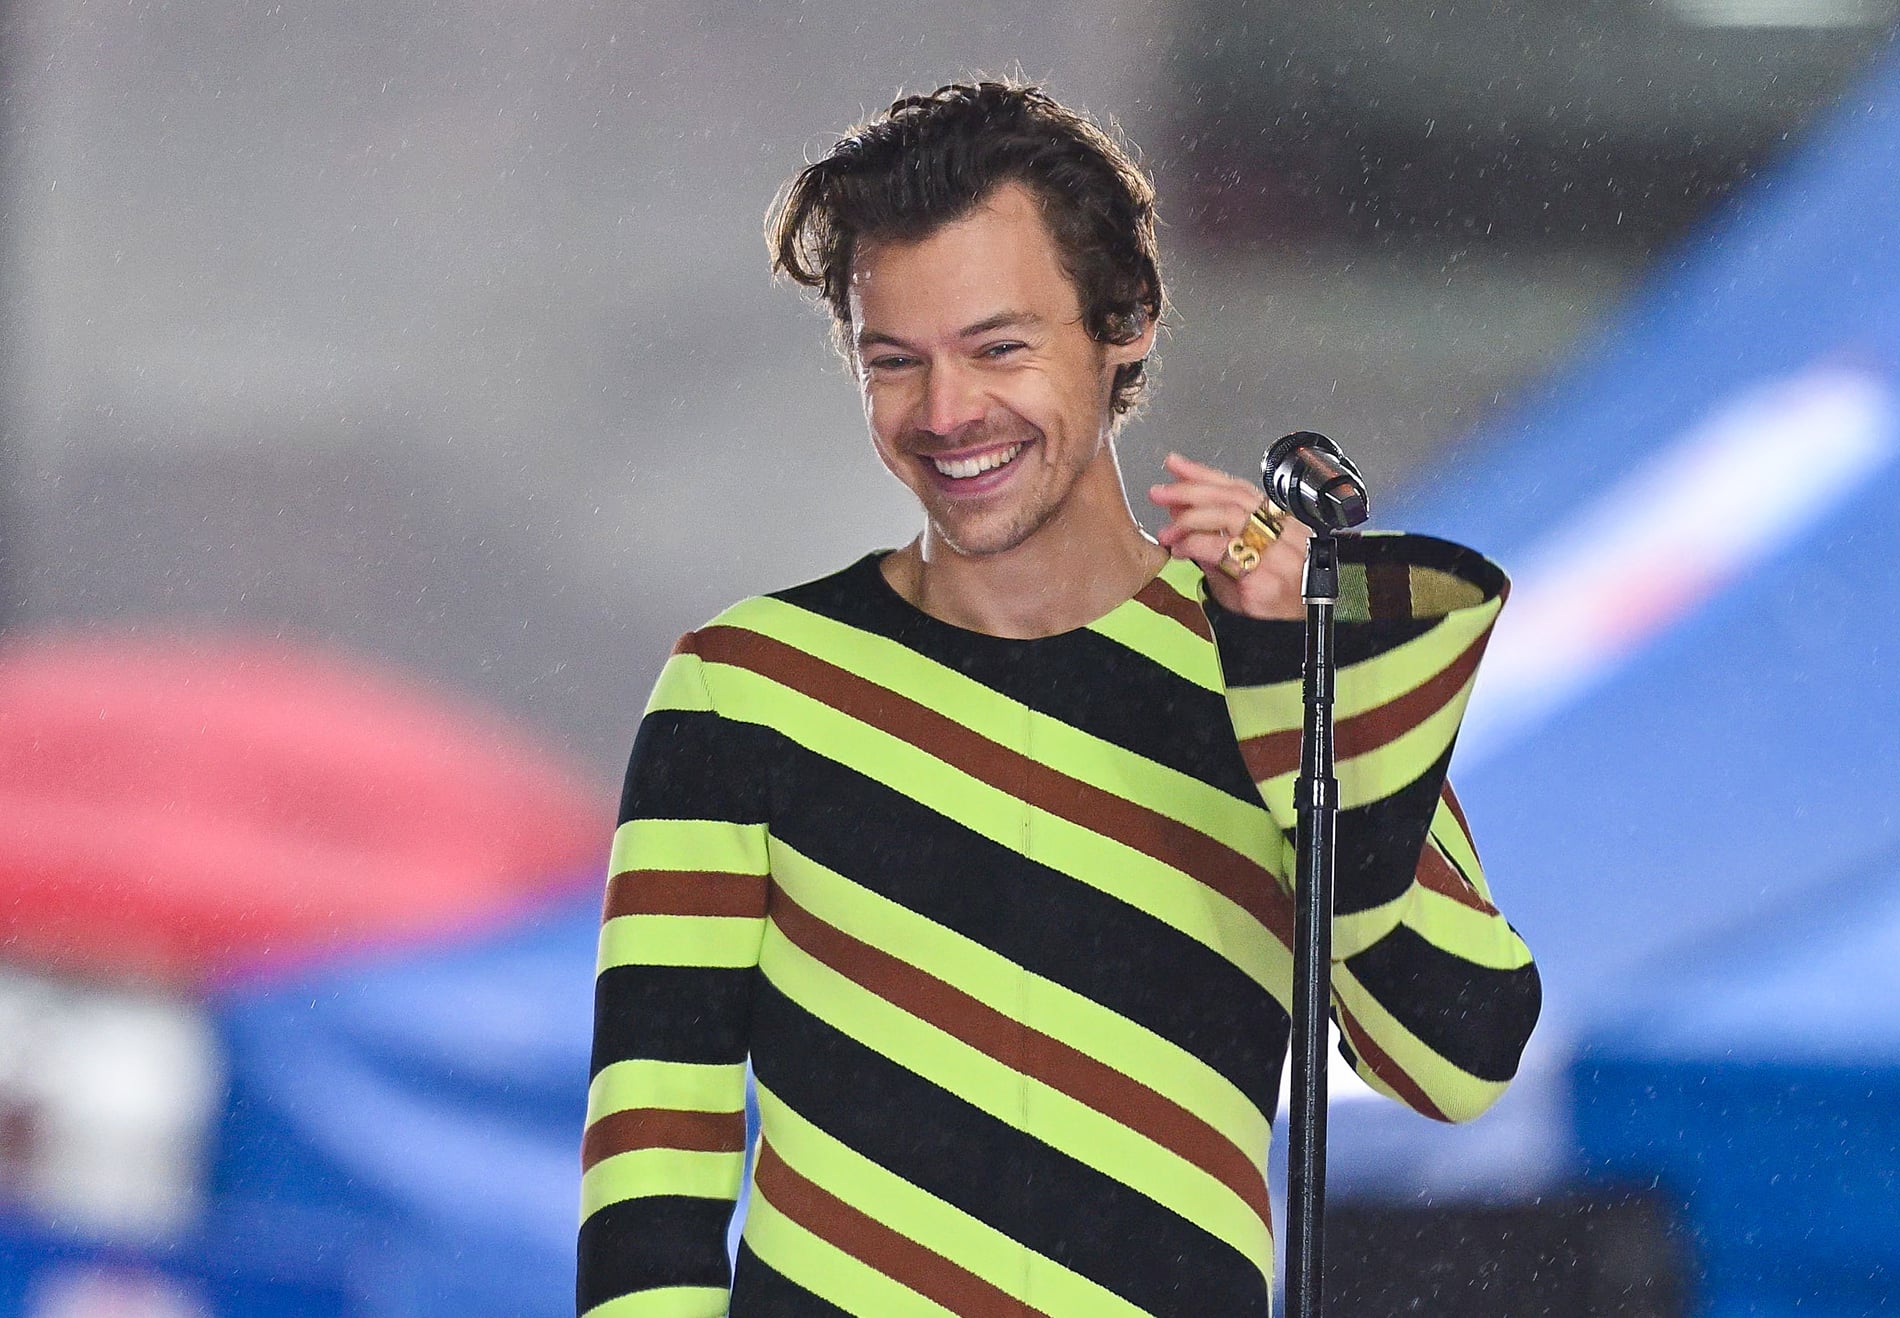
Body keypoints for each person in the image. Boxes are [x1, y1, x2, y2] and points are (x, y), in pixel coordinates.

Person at [576, 79, 1539, 1318]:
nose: (945, 412)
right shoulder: (743, 688)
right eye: (894, 361)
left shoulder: (1272, 669)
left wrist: (1298, 681)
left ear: (1125, 320)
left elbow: (1457, 1057)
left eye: (998, 347)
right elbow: (653, 1155)